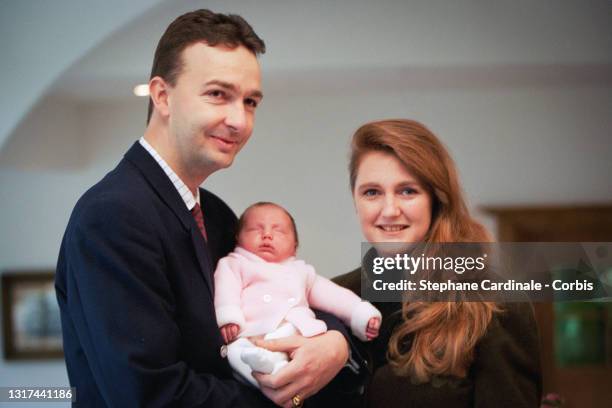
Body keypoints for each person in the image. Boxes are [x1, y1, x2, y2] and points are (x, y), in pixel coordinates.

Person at [56, 10, 360, 408]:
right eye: (218, 94)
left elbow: (286, 287)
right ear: (162, 96)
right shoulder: (112, 216)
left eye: (250, 102)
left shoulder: (214, 214)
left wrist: (335, 343)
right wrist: (291, 398)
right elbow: (150, 396)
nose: (239, 120)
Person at [334, 119, 542, 407]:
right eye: (372, 192)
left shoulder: (494, 302)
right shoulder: (330, 296)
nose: (390, 210)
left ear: (436, 199)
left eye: (408, 191)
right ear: (356, 201)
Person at [214, 202, 381, 387]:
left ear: (295, 245)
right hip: (251, 333)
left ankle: (275, 369)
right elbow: (226, 289)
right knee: (235, 353)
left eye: (279, 231)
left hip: (295, 333)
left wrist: (360, 313)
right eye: (255, 229)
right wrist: (229, 317)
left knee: (299, 346)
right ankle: (267, 371)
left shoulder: (301, 272)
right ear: (238, 237)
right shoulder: (234, 264)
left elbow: (334, 296)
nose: (267, 235)